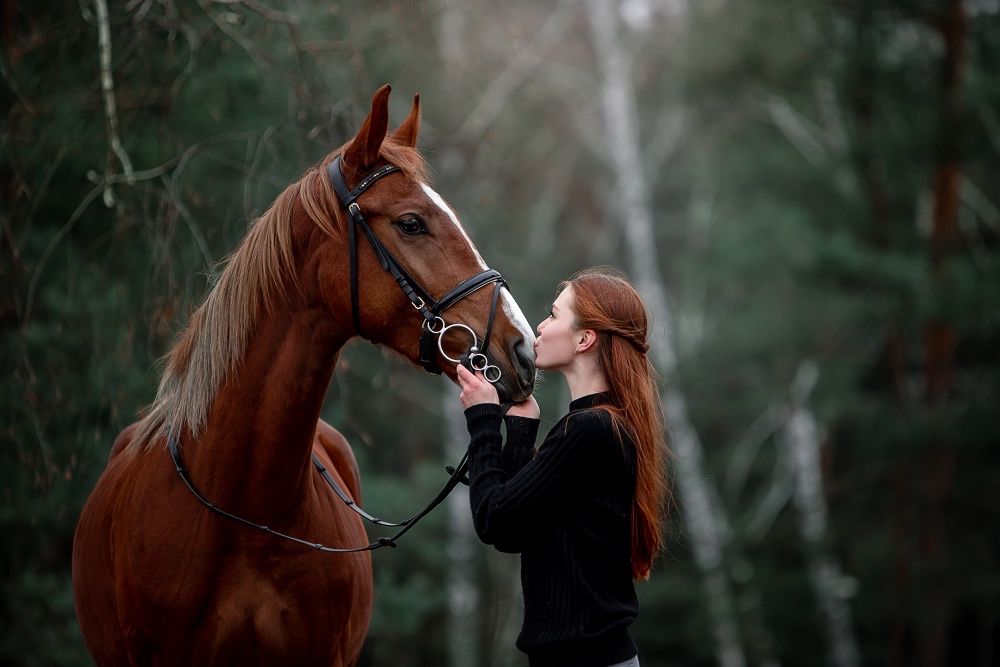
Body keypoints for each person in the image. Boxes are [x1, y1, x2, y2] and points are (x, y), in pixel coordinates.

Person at [456, 267, 670, 667]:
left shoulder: (589, 430)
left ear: (585, 338)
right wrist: (521, 428)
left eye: (554, 315)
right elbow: (517, 530)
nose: (540, 325)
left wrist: (483, 421)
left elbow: (493, 519)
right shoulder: (600, 425)